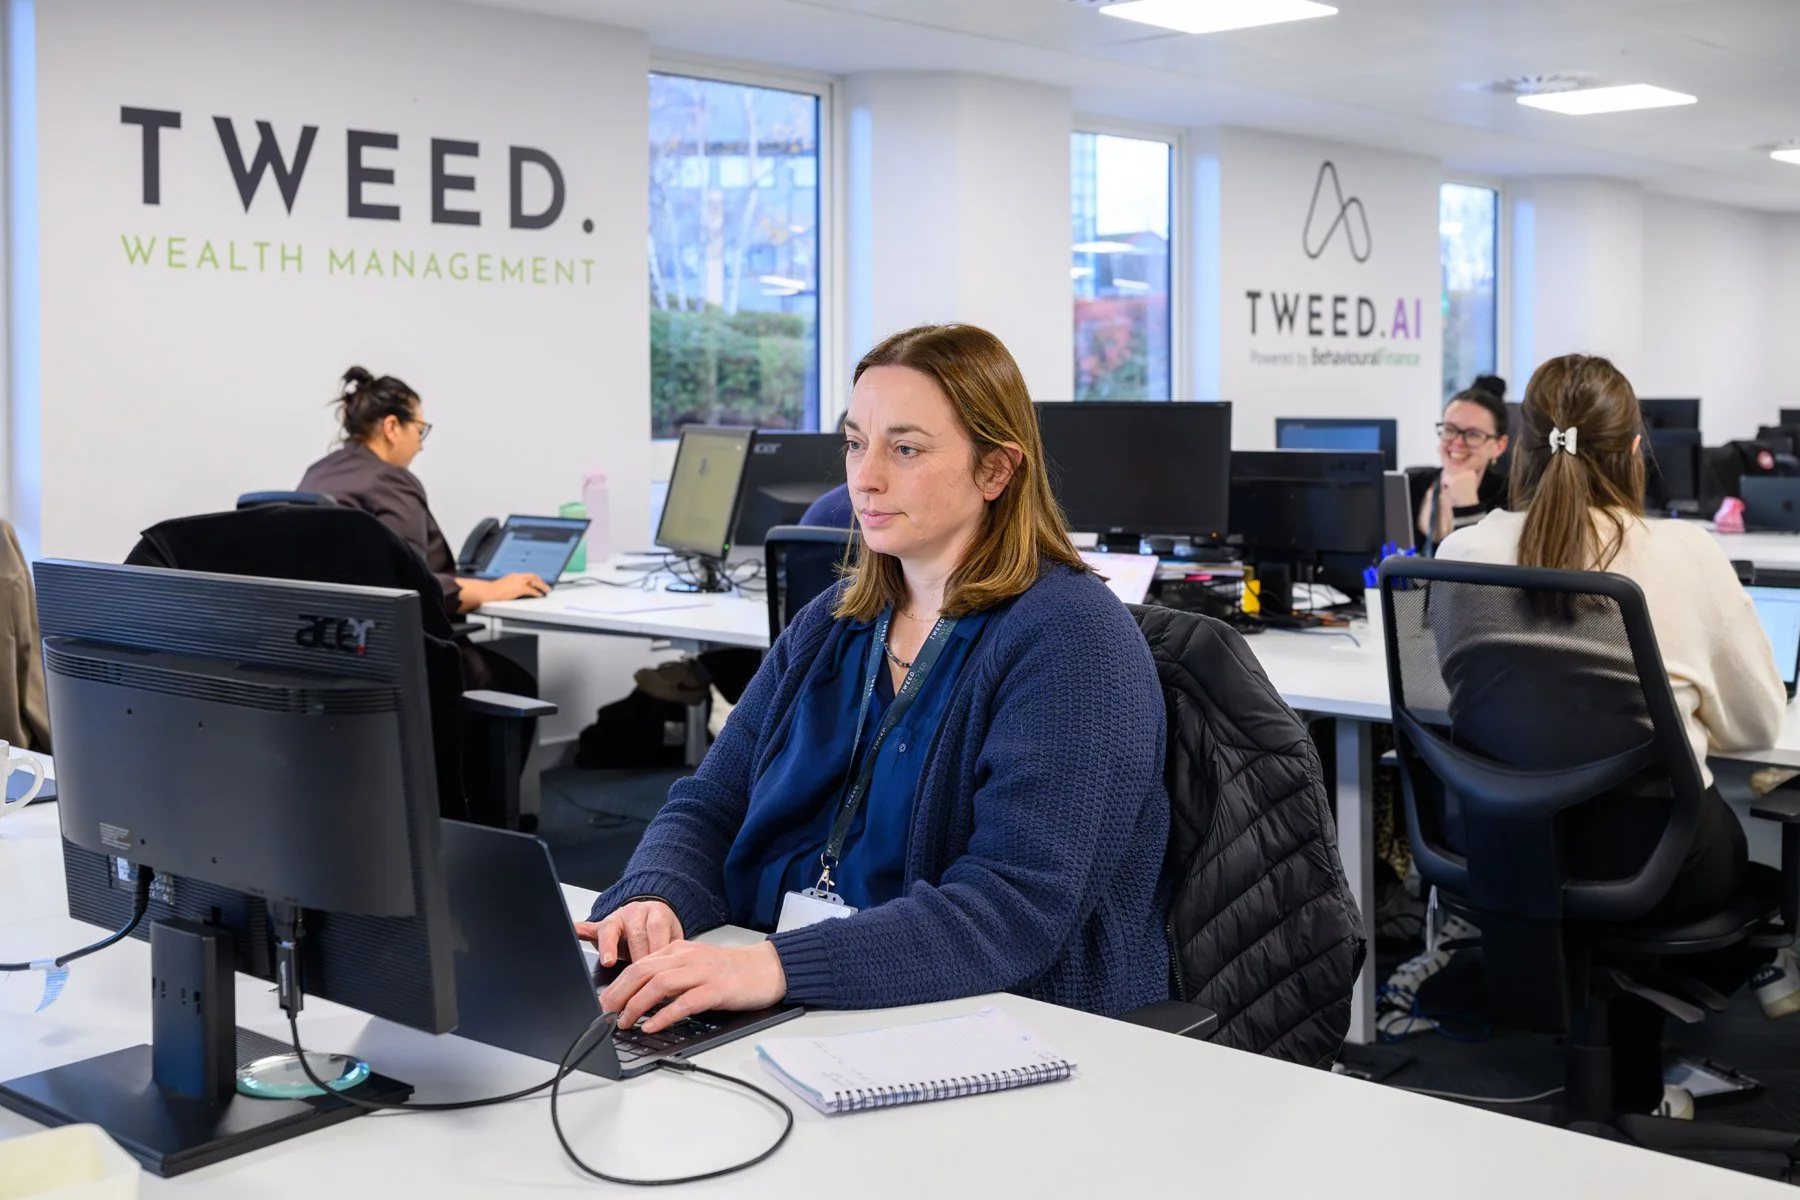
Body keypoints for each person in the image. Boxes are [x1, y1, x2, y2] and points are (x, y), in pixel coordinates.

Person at [577, 323, 1171, 1033]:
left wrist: (775, 968)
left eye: (905, 449)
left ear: (995, 470)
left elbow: (1013, 909)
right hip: (785, 989)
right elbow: (712, 803)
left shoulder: (1072, 640)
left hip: (978, 1021)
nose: (865, 477)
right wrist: (656, 897)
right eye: (856, 443)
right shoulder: (834, 620)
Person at [1431, 353, 1787, 1112]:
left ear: (1520, 450)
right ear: (1632, 450)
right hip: (1657, 862)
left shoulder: (1460, 553)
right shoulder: (1684, 553)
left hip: (1505, 847)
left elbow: (1456, 696)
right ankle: (1638, 1068)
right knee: (1757, 869)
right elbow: (1757, 725)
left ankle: (1610, 1063)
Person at [298, 367, 549, 617]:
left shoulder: (317, 472)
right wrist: (493, 589)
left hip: (317, 631)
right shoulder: (388, 480)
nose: (420, 446)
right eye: (419, 431)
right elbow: (411, 586)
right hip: (388, 636)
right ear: (392, 427)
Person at [1415, 382, 1511, 552]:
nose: (1458, 442)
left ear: (1499, 446)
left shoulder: (1512, 498)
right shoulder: (1411, 485)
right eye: (1450, 429)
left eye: (1473, 434)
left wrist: (1468, 508)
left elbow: (1482, 565)